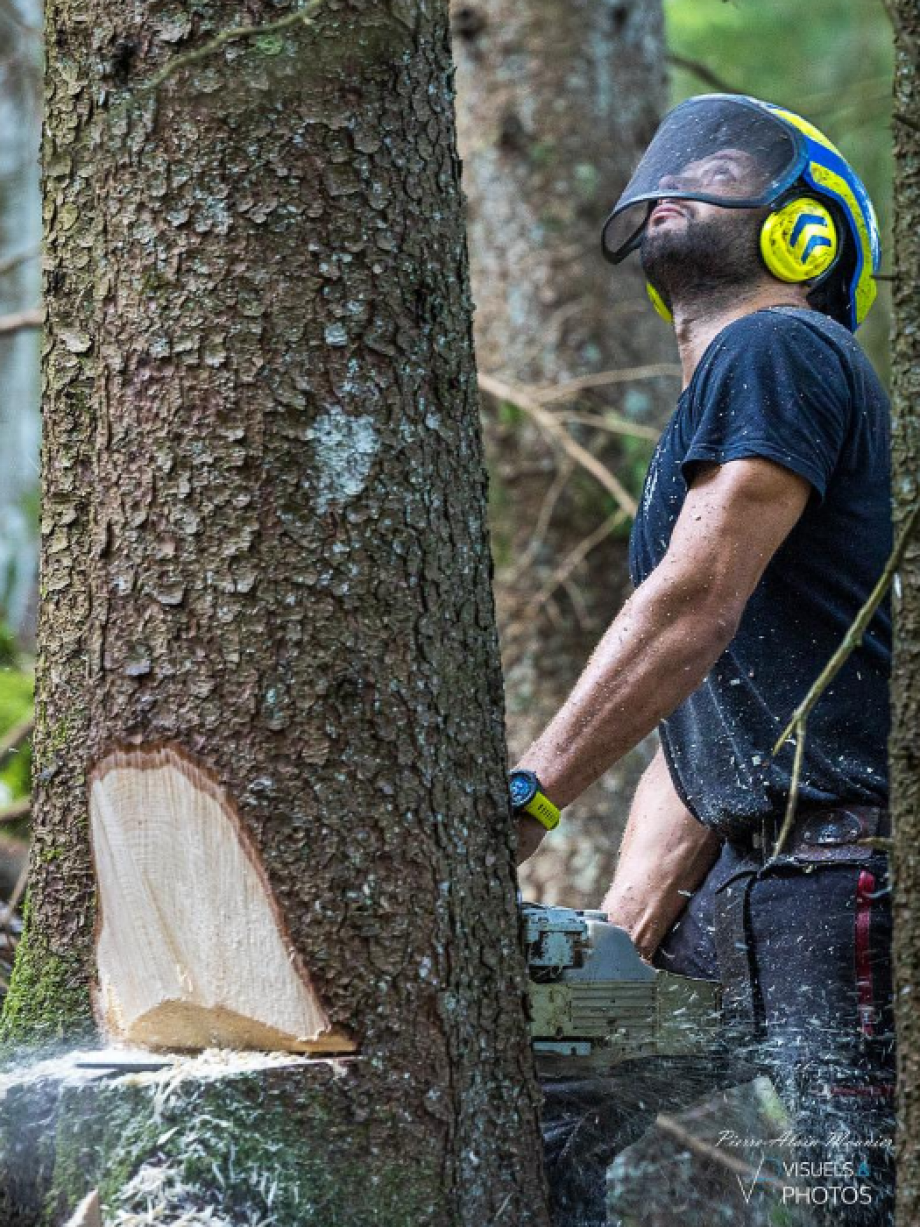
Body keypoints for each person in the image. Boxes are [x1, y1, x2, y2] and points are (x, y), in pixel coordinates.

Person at [511, 95, 894, 1223]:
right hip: (740, 881)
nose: (675, 181)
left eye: (721, 165)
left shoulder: (782, 343)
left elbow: (691, 610)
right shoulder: (718, 408)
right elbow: (710, 719)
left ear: (804, 231)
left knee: (849, 1194)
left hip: (837, 877)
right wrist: (623, 935)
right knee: (544, 1115)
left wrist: (526, 797)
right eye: (670, 167)